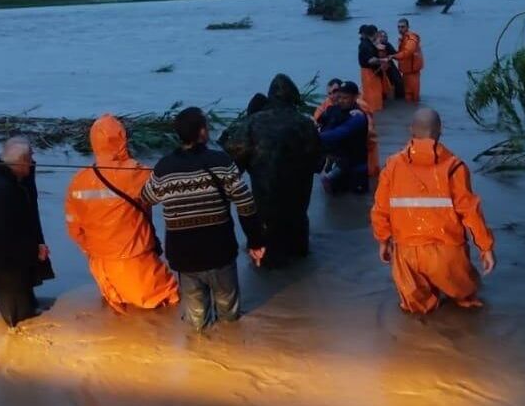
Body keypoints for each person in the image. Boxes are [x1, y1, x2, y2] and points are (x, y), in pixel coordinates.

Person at [141, 107, 266, 330]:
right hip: (220, 251)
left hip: (184, 256)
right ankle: (230, 348)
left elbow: (146, 197)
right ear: (202, 133)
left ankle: (200, 352)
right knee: (229, 318)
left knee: (196, 321)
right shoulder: (221, 162)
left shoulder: (164, 167)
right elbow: (246, 204)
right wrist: (255, 242)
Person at [370, 108, 496, 313]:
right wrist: (486, 247)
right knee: (467, 297)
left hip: (407, 253)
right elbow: (471, 212)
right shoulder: (454, 167)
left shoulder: (392, 166)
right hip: (447, 253)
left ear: (411, 129)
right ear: (440, 131)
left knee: (416, 308)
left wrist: (383, 240)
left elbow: (380, 209)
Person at [65, 115, 179, 313]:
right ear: (123, 139)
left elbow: (73, 225)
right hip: (135, 259)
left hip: (101, 264)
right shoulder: (135, 172)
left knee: (119, 303)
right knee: (166, 299)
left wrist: (91, 249)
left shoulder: (79, 180)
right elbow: (166, 186)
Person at [220, 74, 322, 267]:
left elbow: (233, 159)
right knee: (299, 243)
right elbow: (318, 163)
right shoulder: (305, 123)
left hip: (266, 194)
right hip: (298, 196)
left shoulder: (253, 122)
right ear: (294, 97)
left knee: (268, 250)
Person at [0, 137, 54, 328]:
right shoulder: (1, 191)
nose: (33, 162)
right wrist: (34, 250)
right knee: (18, 322)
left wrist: (36, 247)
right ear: (19, 163)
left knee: (28, 306)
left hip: (17, 265)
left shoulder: (15, 181)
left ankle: (29, 310)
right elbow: (2, 238)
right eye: (30, 159)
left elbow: (27, 212)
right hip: (6, 273)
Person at [314, 77, 381, 178]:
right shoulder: (331, 106)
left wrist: (313, 136)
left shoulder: (359, 110)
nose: (333, 96)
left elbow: (367, 131)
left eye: (335, 92)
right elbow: (318, 119)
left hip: (361, 152)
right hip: (339, 152)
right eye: (330, 93)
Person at [318, 81, 370, 194]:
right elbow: (319, 123)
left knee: (355, 204)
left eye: (345, 98)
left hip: (356, 168)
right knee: (333, 203)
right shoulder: (332, 110)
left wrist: (314, 136)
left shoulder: (358, 116)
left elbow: (339, 134)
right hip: (337, 165)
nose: (341, 100)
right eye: (339, 97)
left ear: (356, 97)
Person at [391, 18, 424, 102]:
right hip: (406, 72)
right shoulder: (403, 39)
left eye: (402, 27)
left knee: (414, 97)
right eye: (398, 27)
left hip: (413, 73)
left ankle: (414, 112)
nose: (400, 29)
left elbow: (407, 52)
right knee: (407, 96)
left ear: (408, 27)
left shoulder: (411, 39)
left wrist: (393, 56)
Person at [358, 24, 386, 112]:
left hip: (370, 72)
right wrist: (382, 60)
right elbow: (371, 60)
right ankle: (373, 111)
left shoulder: (367, 43)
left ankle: (376, 111)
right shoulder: (365, 45)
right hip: (369, 72)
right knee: (372, 95)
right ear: (375, 34)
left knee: (374, 93)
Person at [375, 30, 405, 100]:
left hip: (389, 64)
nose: (384, 38)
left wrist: (400, 47)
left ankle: (400, 98)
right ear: (378, 37)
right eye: (382, 36)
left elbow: (395, 54)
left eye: (386, 36)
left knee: (398, 81)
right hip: (379, 66)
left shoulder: (388, 45)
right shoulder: (374, 46)